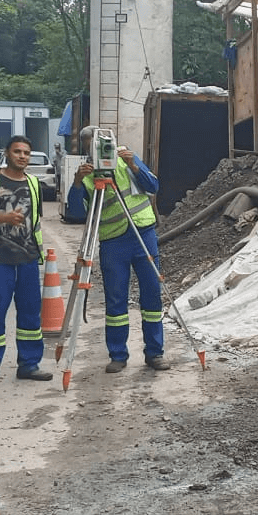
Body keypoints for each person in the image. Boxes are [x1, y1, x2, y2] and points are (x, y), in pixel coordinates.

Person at [64, 125, 169, 373]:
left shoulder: (125, 161)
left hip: (143, 234)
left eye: (102, 144)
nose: (99, 150)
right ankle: (118, 354)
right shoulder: (88, 177)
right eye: (93, 146)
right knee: (116, 299)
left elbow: (153, 186)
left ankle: (155, 353)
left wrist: (134, 164)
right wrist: (78, 182)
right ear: (86, 150)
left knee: (152, 294)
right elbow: (77, 213)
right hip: (113, 241)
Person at [0, 135, 54, 388]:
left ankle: (29, 364)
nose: (23, 157)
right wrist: (3, 219)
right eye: (18, 152)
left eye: (27, 153)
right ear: (8, 153)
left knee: (30, 315)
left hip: (27, 258)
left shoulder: (34, 184)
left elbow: (35, 220)